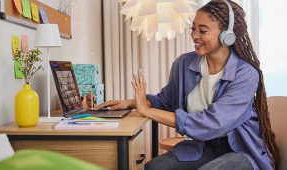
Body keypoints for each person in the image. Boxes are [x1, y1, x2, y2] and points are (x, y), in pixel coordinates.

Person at [95, 0, 280, 169]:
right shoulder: (184, 64)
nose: (194, 35)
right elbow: (166, 101)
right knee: (154, 168)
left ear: (227, 35)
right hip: (202, 145)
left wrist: (147, 111)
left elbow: (213, 123)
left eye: (203, 30)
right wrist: (131, 102)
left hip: (240, 149)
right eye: (193, 29)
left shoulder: (246, 74)